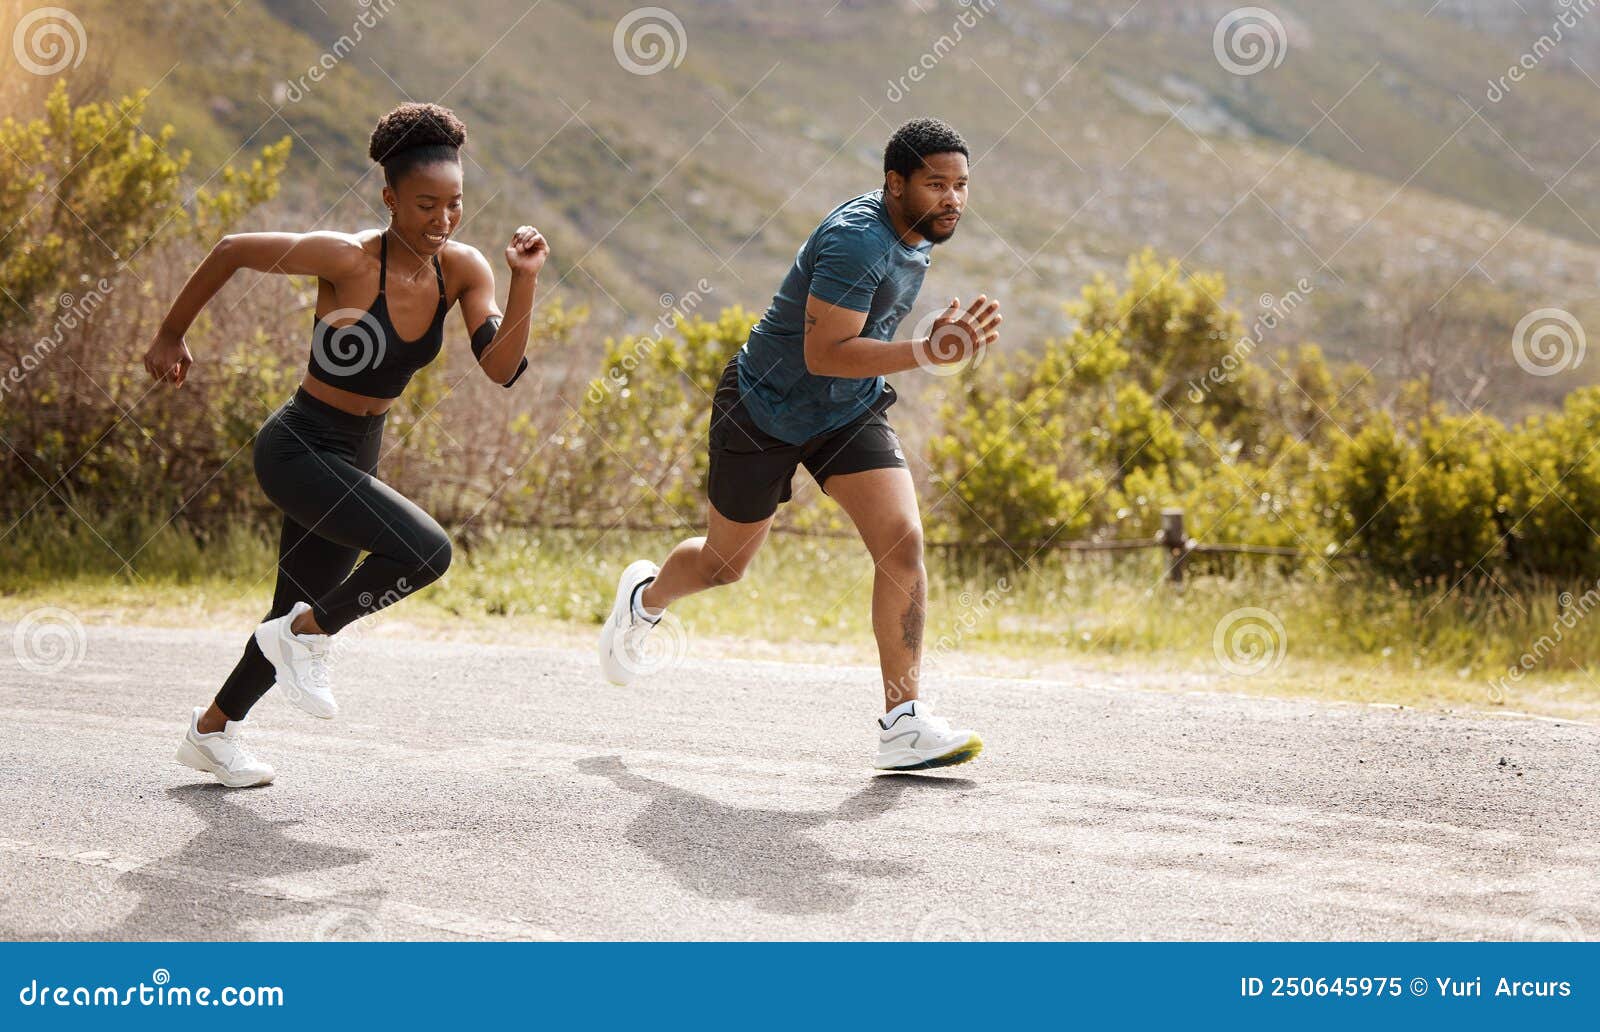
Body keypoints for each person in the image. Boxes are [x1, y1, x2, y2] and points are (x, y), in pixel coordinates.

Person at [145, 102, 550, 787]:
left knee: (291, 606)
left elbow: (502, 368)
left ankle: (212, 732)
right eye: (425, 205)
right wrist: (169, 334)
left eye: (454, 204)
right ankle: (307, 636)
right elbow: (231, 251)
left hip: (358, 452)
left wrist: (524, 279)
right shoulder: (348, 258)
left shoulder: (464, 270)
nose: (442, 220)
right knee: (427, 552)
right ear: (390, 199)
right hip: (299, 446)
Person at [599, 118, 1001, 771]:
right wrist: (927, 350)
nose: (953, 199)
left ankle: (902, 721)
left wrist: (924, 346)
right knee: (724, 566)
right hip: (763, 407)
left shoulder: (918, 230)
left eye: (961, 185)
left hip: (847, 409)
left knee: (903, 541)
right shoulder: (857, 243)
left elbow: (849, 356)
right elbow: (823, 352)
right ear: (894, 184)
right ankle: (645, 600)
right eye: (936, 184)